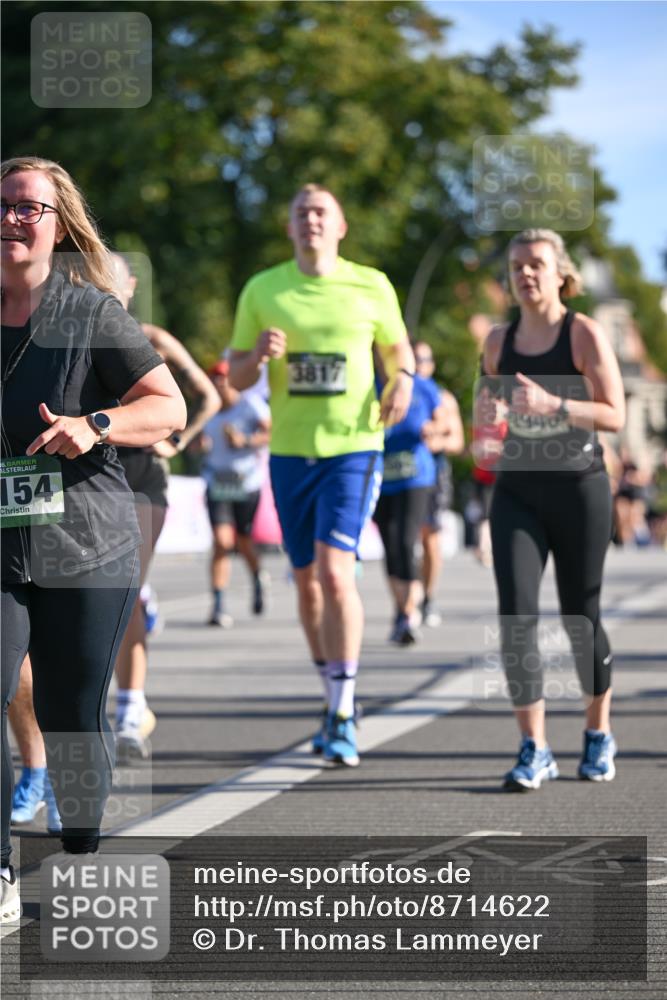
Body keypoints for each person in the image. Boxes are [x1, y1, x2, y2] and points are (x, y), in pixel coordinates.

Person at [0, 156, 186, 922]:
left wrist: (94, 424)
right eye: (2, 206)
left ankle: (78, 855)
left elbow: (166, 405)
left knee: (74, 714)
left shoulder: (91, 312)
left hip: (87, 543)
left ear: (59, 224)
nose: (11, 218)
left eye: (27, 208)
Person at [229, 184, 414, 766]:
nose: (310, 219)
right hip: (288, 452)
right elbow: (233, 377)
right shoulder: (263, 288)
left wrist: (403, 377)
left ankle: (342, 710)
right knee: (306, 581)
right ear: (289, 227)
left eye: (320, 212)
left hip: (353, 447)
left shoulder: (371, 285)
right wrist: (256, 354)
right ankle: (331, 693)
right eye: (300, 211)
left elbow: (398, 351)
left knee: (337, 573)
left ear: (340, 226)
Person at [479, 228, 625, 791]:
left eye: (536, 263)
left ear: (560, 272)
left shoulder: (582, 332)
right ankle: (534, 747)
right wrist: (485, 434)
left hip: (578, 488)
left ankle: (597, 732)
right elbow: (491, 416)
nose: (526, 274)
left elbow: (612, 413)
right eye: (517, 265)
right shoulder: (498, 341)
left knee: (579, 619)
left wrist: (555, 404)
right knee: (516, 621)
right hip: (517, 491)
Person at [110, 254, 220, 760]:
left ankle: (130, 709)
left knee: (126, 588)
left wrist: (178, 440)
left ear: (131, 285)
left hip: (143, 476)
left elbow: (208, 397)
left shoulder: (153, 338)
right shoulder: (71, 335)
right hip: (93, 477)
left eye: (113, 279)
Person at [373, 344, 449, 645]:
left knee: (406, 540)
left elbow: (443, 420)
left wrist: (433, 428)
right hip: (381, 476)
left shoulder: (423, 386)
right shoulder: (372, 385)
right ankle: (401, 607)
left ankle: (408, 611)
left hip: (417, 476)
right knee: (390, 544)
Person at [200, 359, 271, 627]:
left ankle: (257, 576)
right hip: (217, 483)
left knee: (244, 542)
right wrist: (198, 444)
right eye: (214, 378)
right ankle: (218, 604)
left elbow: (270, 434)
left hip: (246, 484)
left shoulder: (250, 404)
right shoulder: (209, 409)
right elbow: (194, 437)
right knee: (221, 542)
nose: (219, 383)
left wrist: (247, 441)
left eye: (223, 378)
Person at [413, 341, 464, 625]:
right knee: (404, 540)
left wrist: (436, 439)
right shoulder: (397, 392)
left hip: (433, 473)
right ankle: (408, 599)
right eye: (415, 359)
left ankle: (428, 598)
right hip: (403, 474)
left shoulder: (442, 398)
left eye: (424, 359)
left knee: (430, 537)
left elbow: (457, 442)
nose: (419, 364)